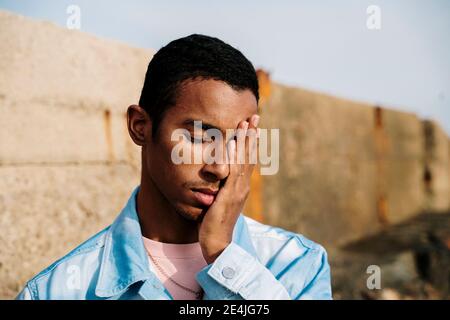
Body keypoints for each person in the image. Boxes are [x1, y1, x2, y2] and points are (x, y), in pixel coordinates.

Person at [16, 34, 332, 300]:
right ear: (140, 126)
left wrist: (224, 256)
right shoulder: (60, 290)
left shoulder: (297, 265)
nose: (220, 168)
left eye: (237, 142)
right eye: (198, 137)